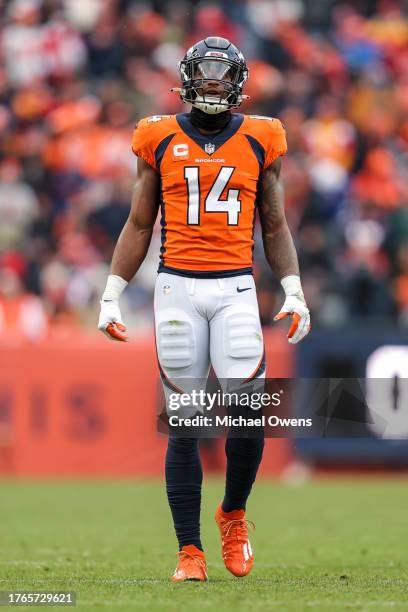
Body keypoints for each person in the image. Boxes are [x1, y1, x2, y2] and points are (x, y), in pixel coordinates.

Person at [98, 37, 310, 582]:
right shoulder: (158, 135)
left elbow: (275, 223)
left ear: (238, 82)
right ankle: (189, 552)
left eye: (223, 72)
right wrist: (112, 292)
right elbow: (140, 222)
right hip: (177, 289)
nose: (214, 80)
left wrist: (292, 285)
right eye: (206, 70)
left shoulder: (263, 136)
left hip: (237, 286)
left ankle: (233, 513)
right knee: (186, 424)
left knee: (247, 416)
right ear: (188, 76)